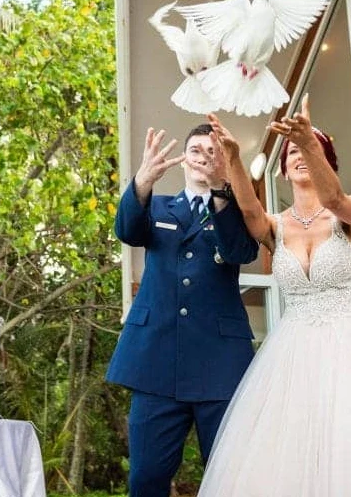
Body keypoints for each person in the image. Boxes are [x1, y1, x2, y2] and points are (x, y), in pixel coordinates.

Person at [197, 95, 351, 496]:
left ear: (327, 163)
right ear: (282, 170)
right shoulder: (276, 227)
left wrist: (308, 141)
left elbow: (334, 199)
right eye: (292, 152)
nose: (299, 155)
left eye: (309, 150)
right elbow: (249, 213)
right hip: (292, 355)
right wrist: (233, 159)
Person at [106, 123, 259, 497]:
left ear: (223, 161)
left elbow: (241, 251)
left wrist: (222, 192)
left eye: (213, 151)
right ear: (184, 159)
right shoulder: (156, 206)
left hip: (221, 364)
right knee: (145, 478)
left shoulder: (237, 211)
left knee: (229, 479)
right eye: (196, 149)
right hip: (156, 363)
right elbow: (126, 230)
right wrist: (143, 180)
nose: (204, 156)